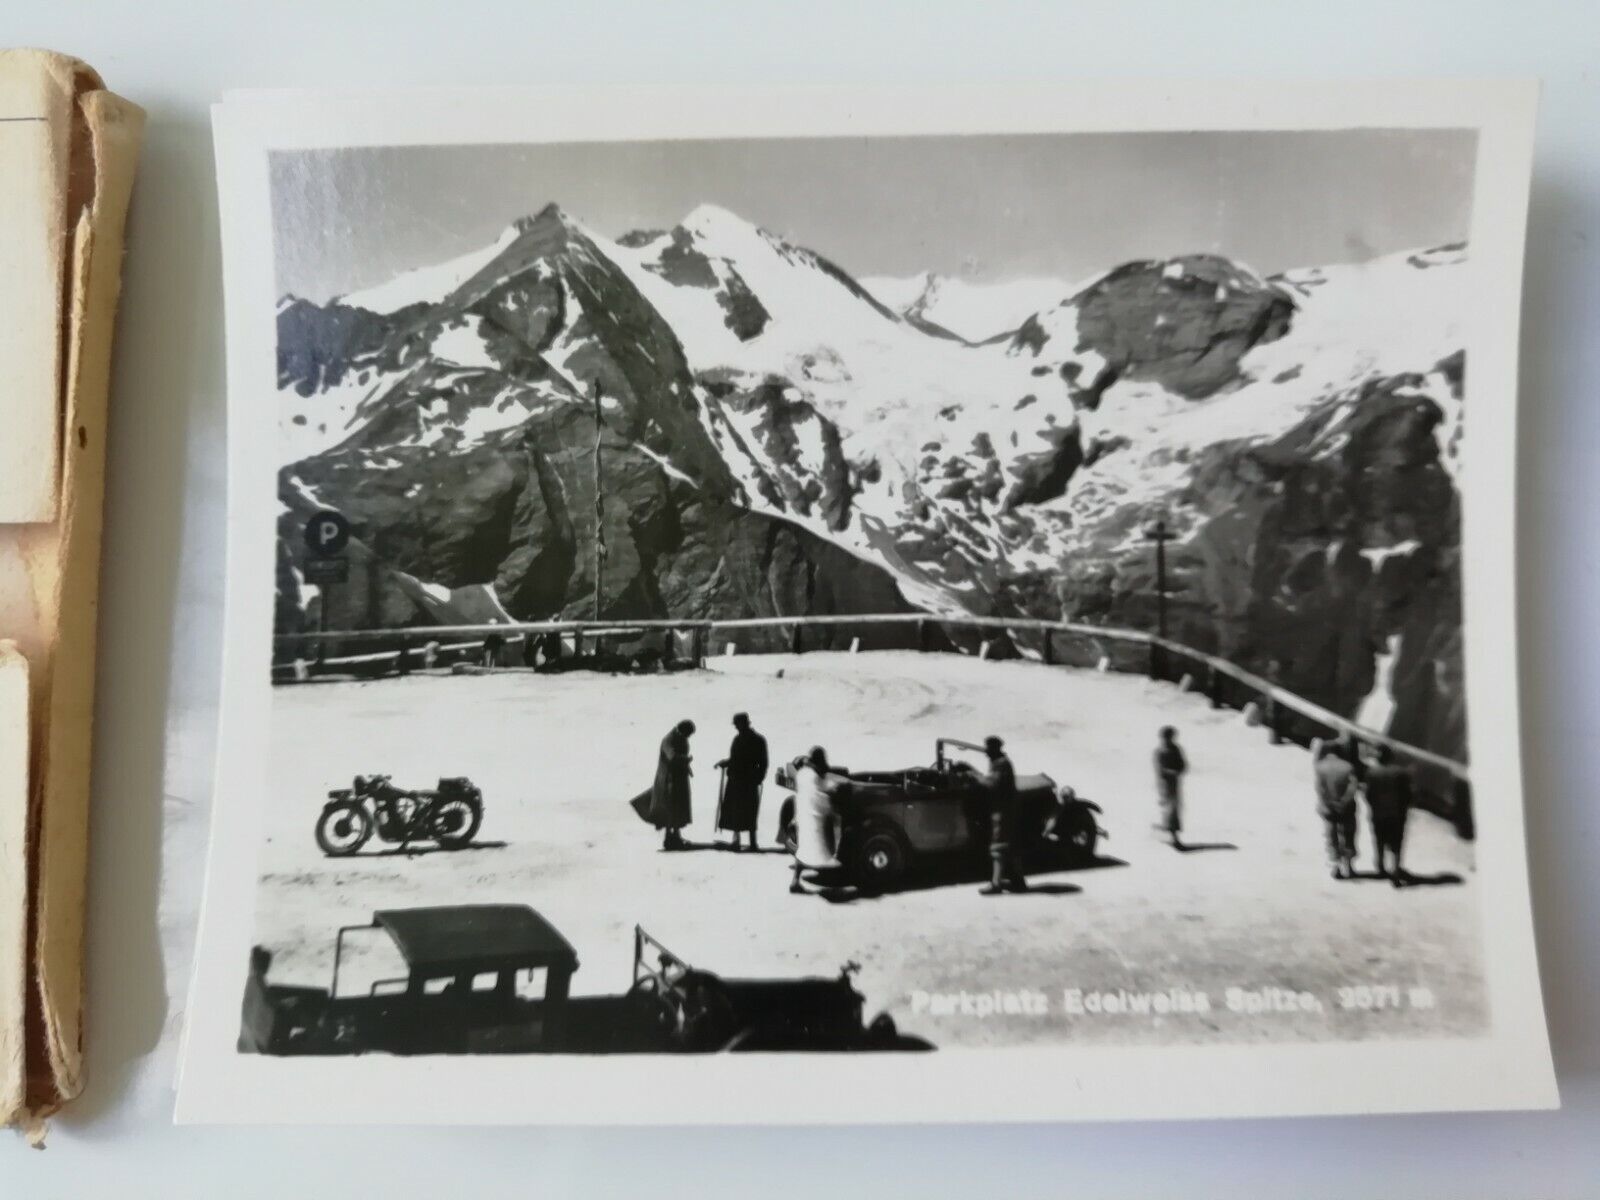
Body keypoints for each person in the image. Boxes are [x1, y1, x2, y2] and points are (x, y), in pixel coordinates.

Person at [630, 719, 695, 850]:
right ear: (682, 730)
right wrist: (686, 760)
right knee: (669, 808)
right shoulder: (668, 739)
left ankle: (676, 836)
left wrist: (686, 765)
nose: (688, 737)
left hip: (679, 778)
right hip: (668, 780)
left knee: (678, 808)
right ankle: (669, 838)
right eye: (688, 734)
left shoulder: (681, 738)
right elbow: (672, 756)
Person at [790, 747, 844, 894]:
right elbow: (821, 793)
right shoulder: (815, 776)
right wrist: (831, 803)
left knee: (804, 849)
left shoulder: (802, 773)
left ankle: (795, 881)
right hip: (814, 816)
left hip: (802, 814)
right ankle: (834, 887)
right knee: (824, 852)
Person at [979, 735, 1028, 895]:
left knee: (998, 848)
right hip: (1009, 809)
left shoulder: (1001, 764)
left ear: (995, 748)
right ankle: (1018, 881)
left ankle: (996, 884)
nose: (985, 751)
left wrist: (975, 777)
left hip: (1002, 811)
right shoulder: (1001, 762)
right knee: (1011, 846)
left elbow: (992, 785)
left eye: (988, 748)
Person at [715, 712, 769, 851]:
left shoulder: (757, 740)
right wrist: (725, 762)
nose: (736, 727)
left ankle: (752, 843)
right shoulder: (740, 739)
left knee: (748, 811)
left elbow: (763, 762)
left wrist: (759, 778)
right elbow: (735, 759)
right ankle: (737, 841)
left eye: (737, 724)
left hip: (747, 781)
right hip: (738, 780)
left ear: (744, 723)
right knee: (738, 811)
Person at [1364, 744, 1415, 886]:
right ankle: (1396, 874)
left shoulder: (1372, 773)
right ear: (1391, 757)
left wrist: (1374, 807)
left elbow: (1368, 795)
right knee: (1397, 844)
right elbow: (1408, 796)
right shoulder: (1401, 773)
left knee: (1379, 841)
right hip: (1397, 815)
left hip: (1378, 814)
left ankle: (1380, 868)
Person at [1314, 739, 1360, 879]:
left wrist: (1327, 803)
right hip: (1346, 808)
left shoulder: (1320, 767)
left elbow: (1320, 789)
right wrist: (1343, 801)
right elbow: (1353, 787)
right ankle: (1349, 866)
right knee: (1348, 834)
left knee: (1332, 835)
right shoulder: (1348, 767)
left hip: (1328, 809)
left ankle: (1336, 867)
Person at [1153, 726, 1187, 849]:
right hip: (1165, 785)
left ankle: (1172, 835)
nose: (1168, 739)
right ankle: (1171, 837)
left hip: (1175, 784)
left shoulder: (1176, 749)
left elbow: (1183, 765)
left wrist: (1178, 771)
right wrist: (1171, 773)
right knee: (1169, 810)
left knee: (1174, 810)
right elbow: (1160, 770)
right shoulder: (1160, 751)